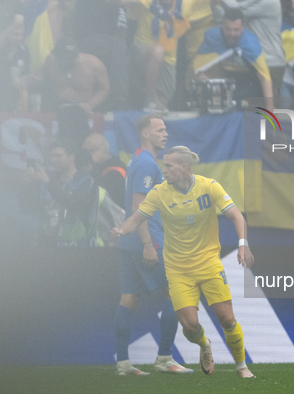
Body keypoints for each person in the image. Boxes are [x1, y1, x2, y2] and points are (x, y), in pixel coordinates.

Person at [112, 145, 255, 379]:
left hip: (208, 263)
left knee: (227, 319)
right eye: (164, 164)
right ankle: (204, 345)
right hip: (177, 269)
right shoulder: (159, 192)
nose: (163, 169)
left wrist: (242, 244)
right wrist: (120, 230)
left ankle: (241, 366)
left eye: (168, 165)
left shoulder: (209, 186)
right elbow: (136, 218)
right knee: (189, 328)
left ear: (184, 167)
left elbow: (236, 215)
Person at [113, 115, 193, 375]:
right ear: (145, 134)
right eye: (159, 130)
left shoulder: (136, 159)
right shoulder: (147, 164)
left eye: (165, 129)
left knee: (129, 298)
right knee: (176, 291)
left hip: (128, 243)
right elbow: (140, 208)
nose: (165, 134)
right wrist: (148, 243)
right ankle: (164, 358)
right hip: (144, 240)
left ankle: (123, 364)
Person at [23, 138, 98, 247]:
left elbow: (74, 205)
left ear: (72, 157)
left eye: (59, 156)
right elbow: (27, 208)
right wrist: (28, 185)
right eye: (52, 156)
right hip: (47, 245)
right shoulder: (48, 180)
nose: (54, 159)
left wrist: (48, 182)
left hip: (76, 247)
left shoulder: (87, 181)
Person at [193, 8, 273, 102]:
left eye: (236, 30)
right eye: (228, 29)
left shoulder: (251, 42)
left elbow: (264, 76)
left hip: (247, 80)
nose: (232, 34)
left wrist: (270, 105)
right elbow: (198, 63)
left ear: (243, 27)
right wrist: (201, 76)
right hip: (222, 78)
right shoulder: (212, 37)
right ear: (222, 25)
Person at [126, 0, 190, 111]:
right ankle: (151, 96)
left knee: (162, 106)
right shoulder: (146, 2)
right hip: (142, 51)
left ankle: (152, 112)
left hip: (169, 58)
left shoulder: (184, 4)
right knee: (158, 51)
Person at [216, 0, 285, 96]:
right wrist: (216, 6)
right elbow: (227, 19)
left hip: (270, 63)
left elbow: (236, 10)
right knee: (254, 107)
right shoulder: (250, 4)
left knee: (267, 108)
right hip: (255, 62)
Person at [41, 37, 111, 114]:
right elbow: (41, 81)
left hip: (84, 112)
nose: (63, 61)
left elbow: (104, 89)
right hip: (56, 110)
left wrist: (90, 105)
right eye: (60, 58)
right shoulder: (51, 61)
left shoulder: (94, 65)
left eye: (67, 59)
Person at [82, 133, 126, 209]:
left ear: (104, 149)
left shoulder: (117, 171)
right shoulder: (91, 168)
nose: (89, 155)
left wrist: (94, 167)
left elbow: (108, 198)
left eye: (92, 150)